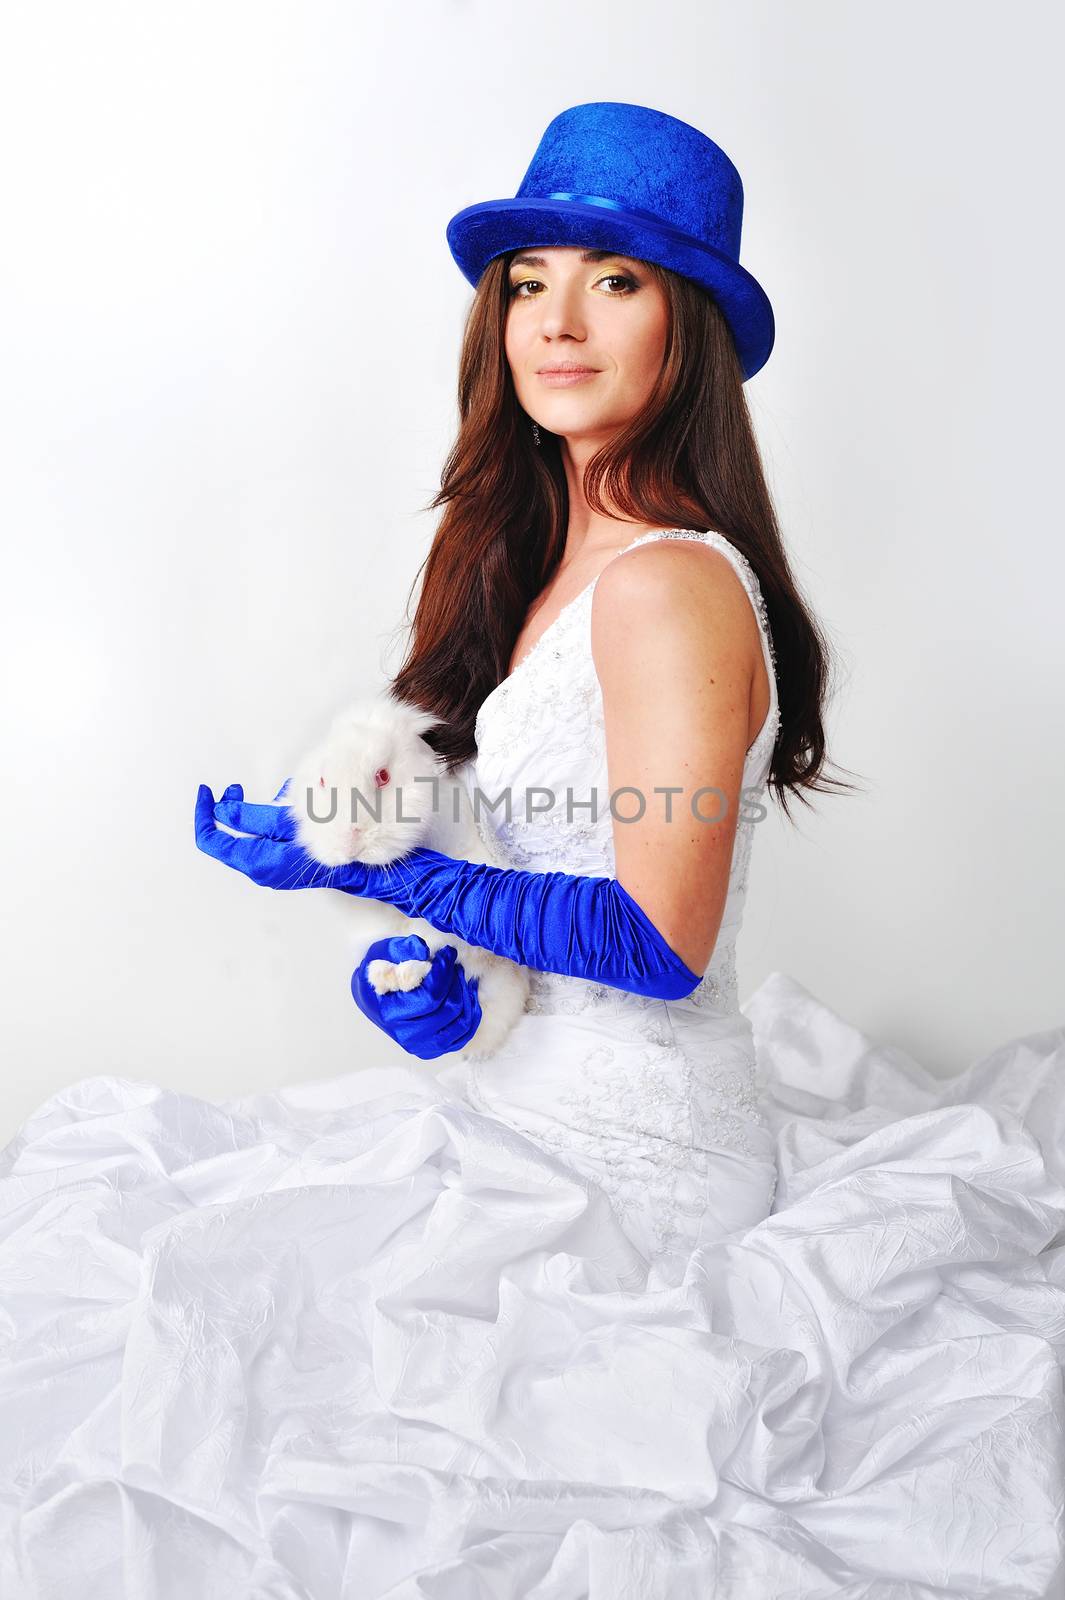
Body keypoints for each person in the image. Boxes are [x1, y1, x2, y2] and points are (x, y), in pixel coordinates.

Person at [3, 102, 1064, 1599]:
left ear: (685, 325)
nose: (556, 321)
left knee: (269, 1395)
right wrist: (437, 993)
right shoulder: (542, 555)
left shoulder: (670, 587)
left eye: (613, 280)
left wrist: (363, 870)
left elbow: (653, 940)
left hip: (637, 1178)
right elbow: (539, 882)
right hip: (519, 1114)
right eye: (527, 280)